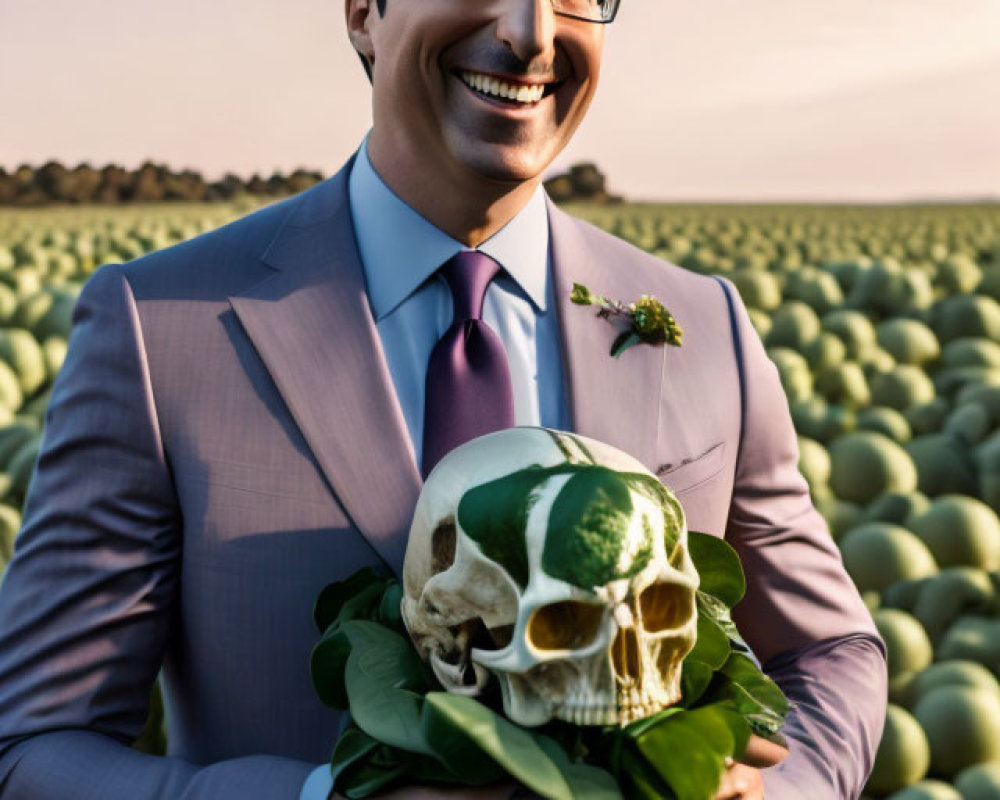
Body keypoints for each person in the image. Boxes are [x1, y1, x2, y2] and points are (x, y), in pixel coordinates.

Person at [0, 0, 887, 797]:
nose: (530, 32)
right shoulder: (161, 328)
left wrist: (779, 791)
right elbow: (37, 744)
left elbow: (832, 650)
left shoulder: (703, 326)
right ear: (361, 15)